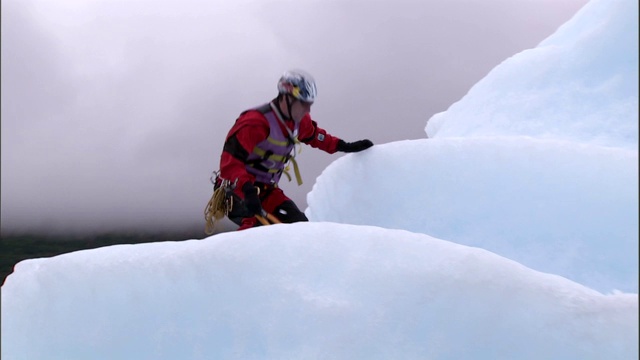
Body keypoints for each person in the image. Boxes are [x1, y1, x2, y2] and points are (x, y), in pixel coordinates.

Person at [215, 69, 373, 230]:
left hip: (266, 191)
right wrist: (248, 191)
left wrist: (343, 145)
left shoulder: (299, 121)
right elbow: (230, 164)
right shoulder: (254, 123)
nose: (308, 110)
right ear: (287, 98)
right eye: (304, 104)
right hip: (236, 191)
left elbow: (315, 136)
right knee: (256, 230)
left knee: (300, 228)